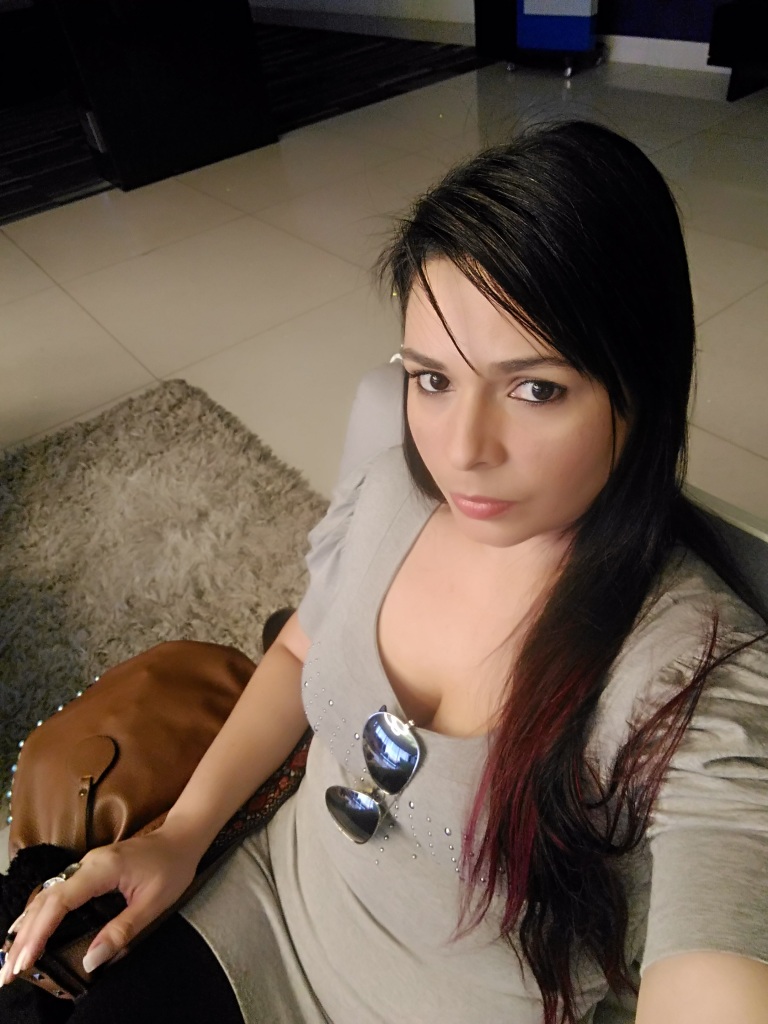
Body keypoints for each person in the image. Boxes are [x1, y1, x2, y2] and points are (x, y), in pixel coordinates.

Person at [1, 119, 767, 1024]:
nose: (461, 449)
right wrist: (182, 834)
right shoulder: (392, 492)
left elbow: (719, 952)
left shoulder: (697, 684)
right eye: (433, 378)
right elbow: (298, 651)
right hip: (255, 913)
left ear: (643, 387)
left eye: (536, 389)